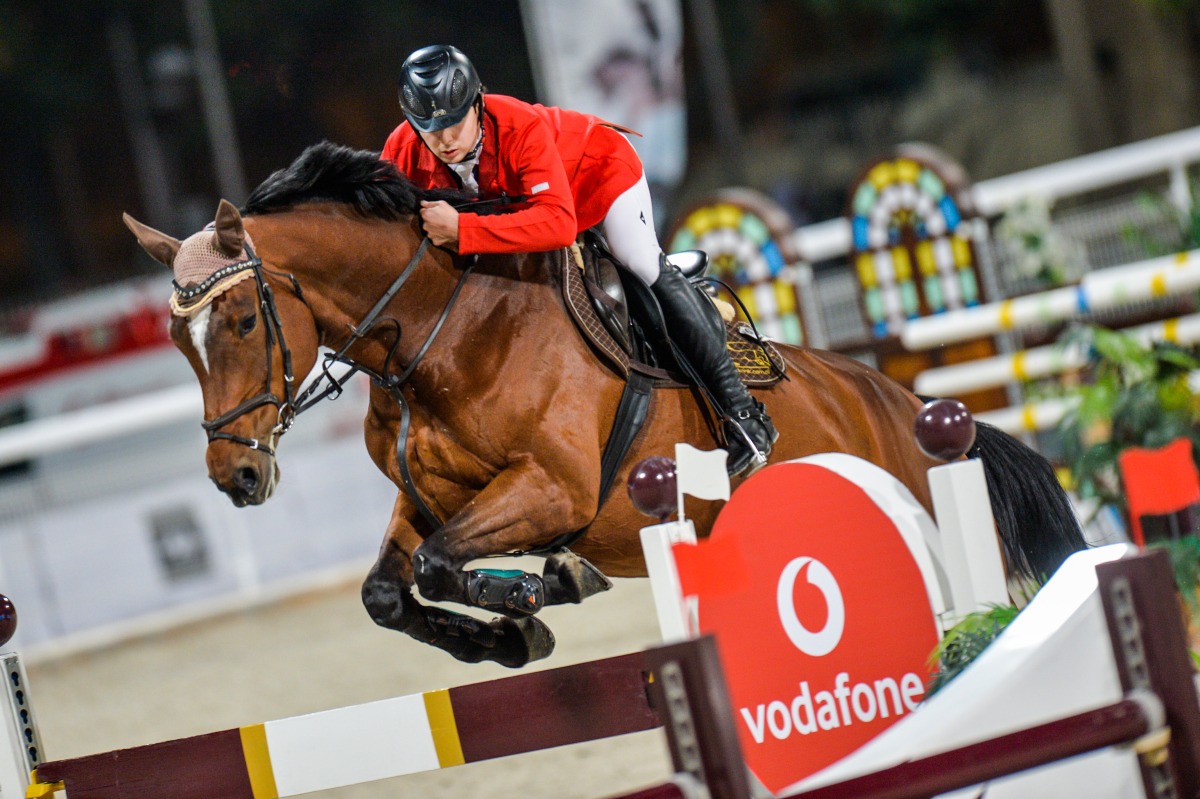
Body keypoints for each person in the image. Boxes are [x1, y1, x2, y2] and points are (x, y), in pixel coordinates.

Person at [381, 44, 775, 476]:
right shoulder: (401, 151)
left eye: (455, 122)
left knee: (639, 262)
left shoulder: (519, 125)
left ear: (477, 102)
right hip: (528, 211)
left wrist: (463, 232)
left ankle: (745, 417)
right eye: (429, 128)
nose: (445, 140)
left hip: (600, 178)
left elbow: (557, 225)